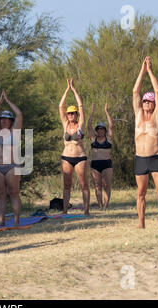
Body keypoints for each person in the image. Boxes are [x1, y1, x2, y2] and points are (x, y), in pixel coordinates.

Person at [132, 56, 158, 228]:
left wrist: (151, 71)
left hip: (155, 157)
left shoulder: (157, 116)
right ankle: (141, 223)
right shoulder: (138, 115)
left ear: (154, 104)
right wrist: (142, 70)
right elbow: (135, 92)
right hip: (141, 158)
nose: (146, 102)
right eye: (145, 100)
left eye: (149, 101)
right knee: (141, 193)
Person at [0, 91, 23, 226]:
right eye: (1, 118)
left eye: (6, 118)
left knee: (14, 193)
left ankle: (16, 221)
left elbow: (19, 114)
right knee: (0, 194)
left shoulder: (15, 131)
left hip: (12, 166)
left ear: (10, 121)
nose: (3, 120)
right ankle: (1, 222)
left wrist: (7, 101)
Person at [58, 79, 90, 216]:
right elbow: (61, 106)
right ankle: (65, 211)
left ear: (76, 114)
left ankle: (86, 211)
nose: (71, 115)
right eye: (69, 113)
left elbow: (81, 106)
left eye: (73, 113)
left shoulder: (80, 125)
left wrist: (74, 90)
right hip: (66, 158)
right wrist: (67, 89)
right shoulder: (65, 124)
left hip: (80, 157)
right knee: (66, 185)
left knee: (84, 184)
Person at [87, 102, 114, 209]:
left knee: (107, 185)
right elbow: (88, 125)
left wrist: (106, 112)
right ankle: (100, 205)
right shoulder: (93, 138)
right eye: (98, 128)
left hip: (107, 163)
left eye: (102, 128)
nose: (100, 130)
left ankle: (106, 206)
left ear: (105, 130)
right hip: (95, 164)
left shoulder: (109, 138)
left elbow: (111, 125)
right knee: (97, 186)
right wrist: (92, 112)